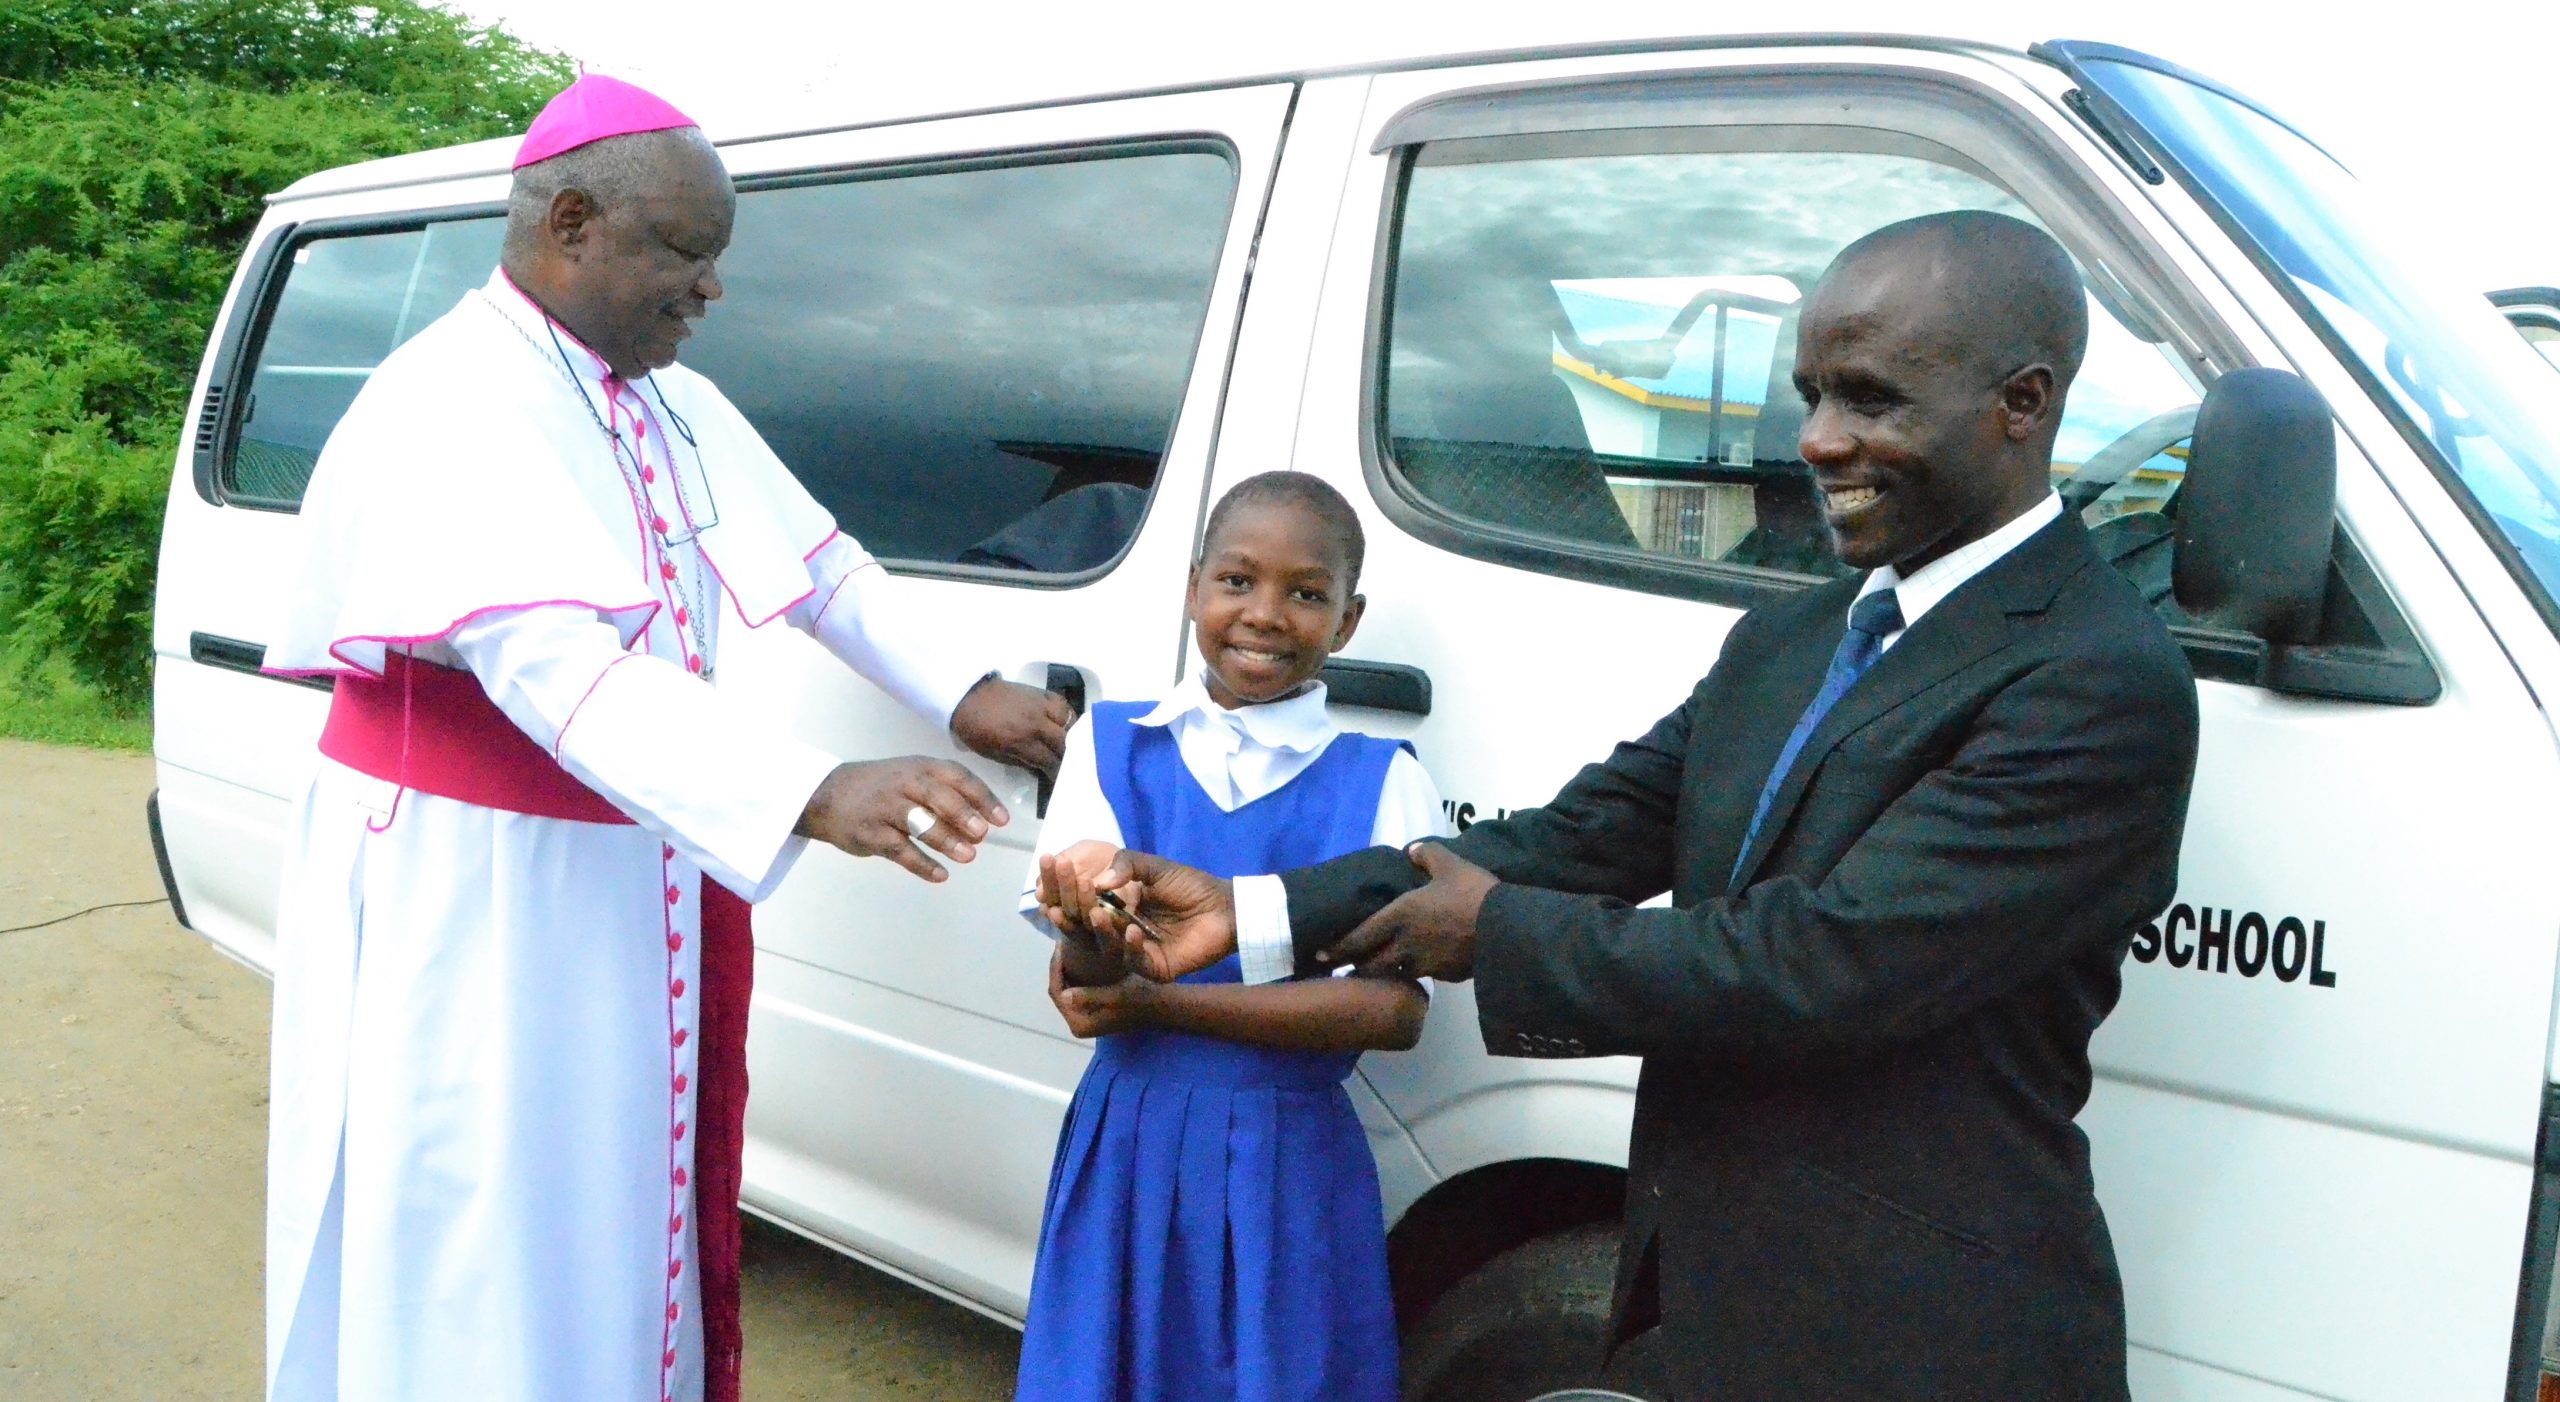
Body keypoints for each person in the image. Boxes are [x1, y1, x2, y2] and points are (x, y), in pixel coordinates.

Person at [1042, 211, 2203, 1400]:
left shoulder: (2097, 678)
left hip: (1922, 1327)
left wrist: (1490, 932)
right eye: (1808, 394)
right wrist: (1250, 908)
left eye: (1868, 399)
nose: (1813, 440)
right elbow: (1585, 833)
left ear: (2023, 401)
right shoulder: (1794, 634)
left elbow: (1822, 961)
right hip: (1712, 1285)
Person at [256, 75, 1071, 1402]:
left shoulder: (662, 392)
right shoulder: (452, 399)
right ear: (570, 220)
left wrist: (967, 688)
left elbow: (822, 564)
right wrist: (811, 786)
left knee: (616, 1197)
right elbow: (553, 661)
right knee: (491, 1219)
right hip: (478, 891)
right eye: (686, 254)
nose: (711, 290)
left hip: (621, 873)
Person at [1012, 471, 1449, 1402]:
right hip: (1128, 1136)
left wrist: (1162, 1003)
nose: (1266, 615)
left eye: (1307, 593)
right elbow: (1088, 988)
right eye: (1237, 582)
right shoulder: (1110, 745)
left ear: (1349, 619)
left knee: (1279, 1371)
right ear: (1192, 589)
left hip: (1291, 1159)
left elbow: (1395, 1011)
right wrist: (1087, 925)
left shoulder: (1381, 779)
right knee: (1113, 1365)